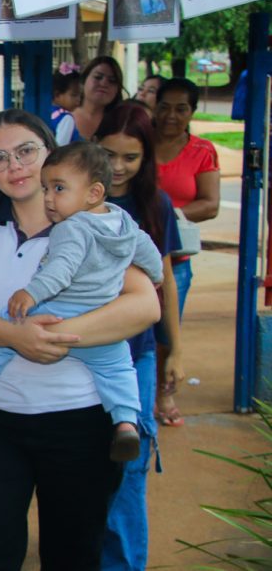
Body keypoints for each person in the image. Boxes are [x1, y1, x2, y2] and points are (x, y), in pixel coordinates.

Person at [0, 109, 160, 569]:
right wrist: (16, 337)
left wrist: (55, 336)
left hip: (81, 421)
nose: (14, 166)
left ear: (52, 153)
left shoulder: (101, 223)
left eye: (26, 151)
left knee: (72, 554)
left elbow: (145, 306)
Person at [0, 141, 164, 462]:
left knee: (3, 330)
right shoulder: (121, 221)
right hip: (100, 320)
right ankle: (126, 423)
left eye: (59, 189)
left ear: (92, 193)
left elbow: (60, 271)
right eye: (47, 188)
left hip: (58, 310)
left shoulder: (71, 228)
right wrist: (157, 273)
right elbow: (146, 248)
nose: (50, 198)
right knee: (119, 367)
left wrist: (30, 294)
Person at [95, 101, 182, 570]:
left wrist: (175, 351)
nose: (118, 167)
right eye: (109, 154)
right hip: (81, 357)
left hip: (137, 356)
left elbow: (164, 279)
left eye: (131, 157)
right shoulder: (70, 198)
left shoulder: (155, 205)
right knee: (86, 469)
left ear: (147, 158)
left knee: (130, 470)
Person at [153, 77, 220, 427]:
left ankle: (163, 393)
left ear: (192, 112)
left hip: (175, 256)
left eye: (181, 108)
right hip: (132, 257)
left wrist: (167, 214)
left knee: (168, 330)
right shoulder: (138, 144)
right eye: (164, 106)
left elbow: (210, 204)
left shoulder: (202, 150)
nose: (171, 115)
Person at [72, 56, 125, 140]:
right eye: (98, 77)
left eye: (112, 80)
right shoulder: (62, 115)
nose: (103, 84)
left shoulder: (122, 123)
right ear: (84, 80)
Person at [49, 63, 82, 145]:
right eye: (74, 95)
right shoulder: (67, 118)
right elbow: (61, 147)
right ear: (57, 95)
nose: (79, 99)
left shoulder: (47, 112)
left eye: (80, 95)